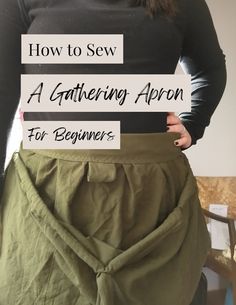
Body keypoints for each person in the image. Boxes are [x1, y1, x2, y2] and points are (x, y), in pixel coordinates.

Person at [0, 0, 226, 304]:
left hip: (150, 200)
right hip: (49, 195)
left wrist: (193, 124)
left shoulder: (184, 3)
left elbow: (210, 68)